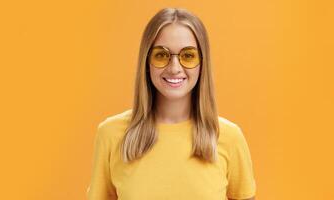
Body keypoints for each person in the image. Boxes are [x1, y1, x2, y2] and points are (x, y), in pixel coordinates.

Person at [87, 7, 256, 200]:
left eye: (188, 56)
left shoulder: (229, 137)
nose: (175, 68)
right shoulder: (111, 134)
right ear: (146, 62)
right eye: (161, 55)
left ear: (202, 63)